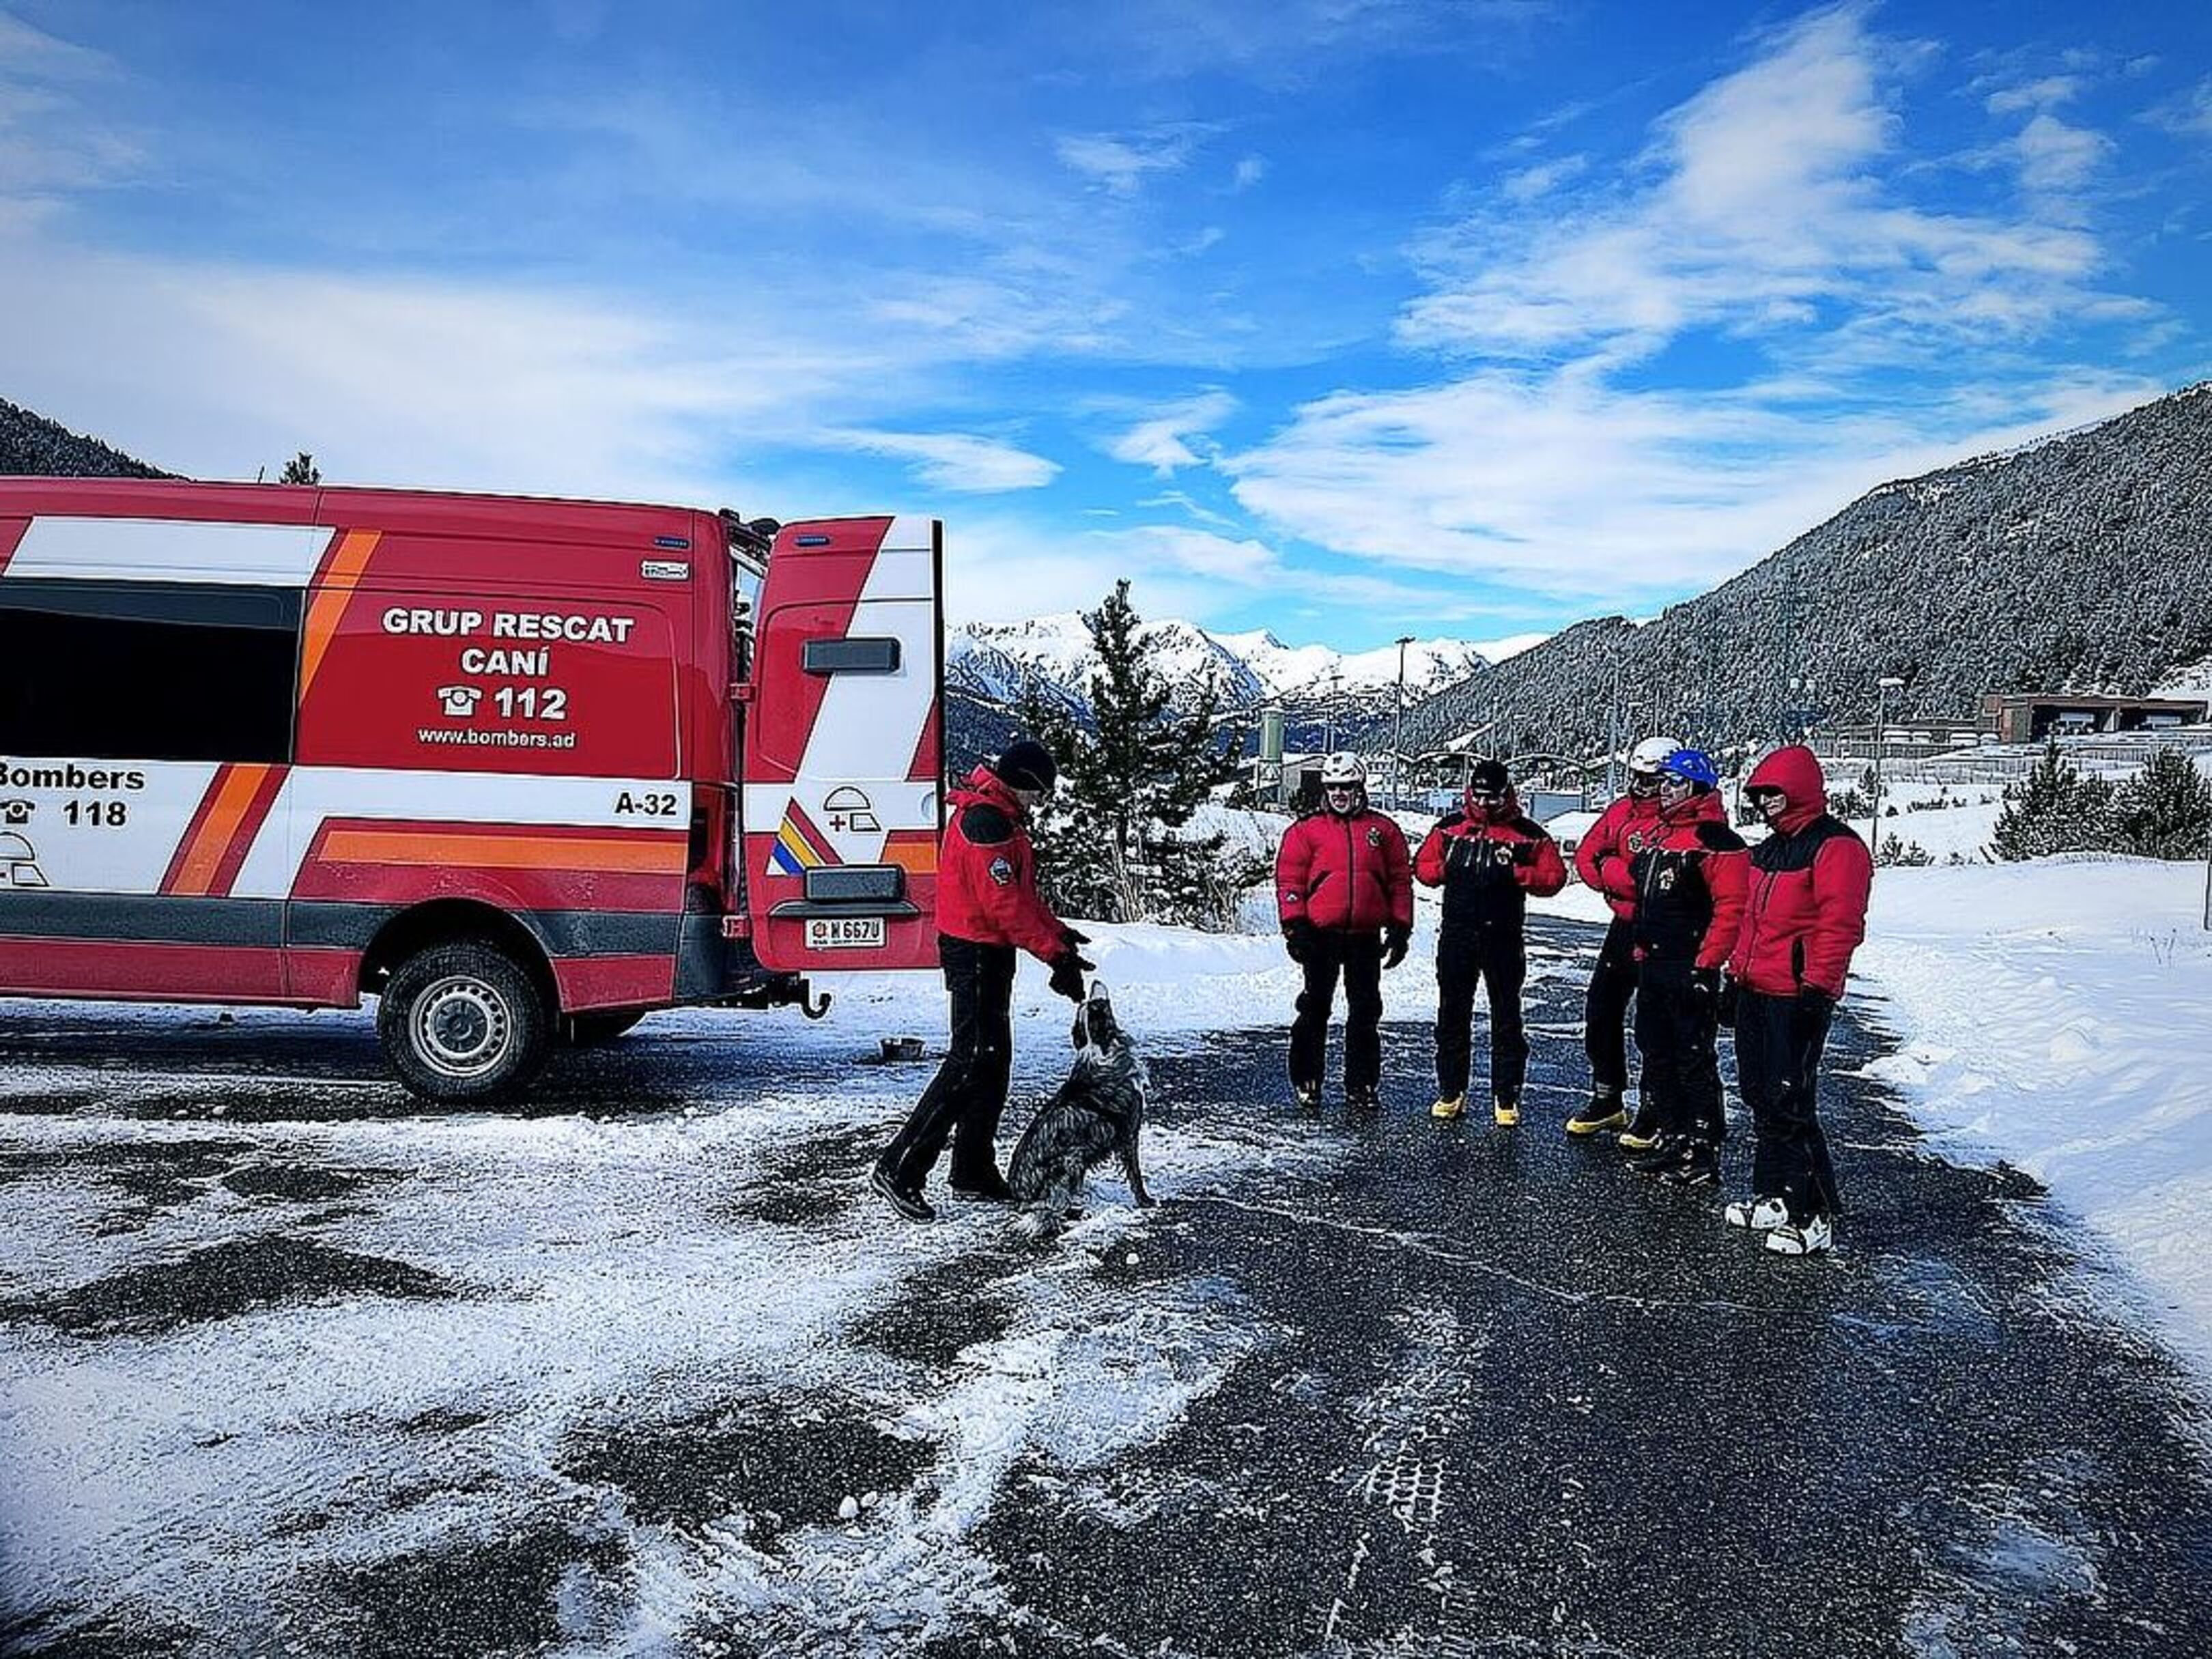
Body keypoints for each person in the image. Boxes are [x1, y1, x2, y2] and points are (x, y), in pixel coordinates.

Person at [873, 738, 1092, 1223]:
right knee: (970, 1061)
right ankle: (899, 1167)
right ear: (1025, 784)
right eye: (1041, 792)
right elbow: (1004, 906)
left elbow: (1020, 896)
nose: (1043, 801)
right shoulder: (985, 821)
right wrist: (1055, 957)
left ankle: (972, 1168)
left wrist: (1058, 934)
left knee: (992, 1064)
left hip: (987, 951)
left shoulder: (999, 815)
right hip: (973, 952)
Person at [1722, 743, 1873, 1257]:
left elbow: (1840, 925)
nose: (1766, 803)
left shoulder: (1837, 847)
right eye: (1760, 795)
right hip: (1754, 989)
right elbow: (1748, 920)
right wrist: (1732, 975)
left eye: (1774, 794)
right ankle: (1775, 1196)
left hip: (1796, 995)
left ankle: (1815, 1214)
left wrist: (1818, 990)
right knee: (1760, 1095)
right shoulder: (1766, 851)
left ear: (1798, 791)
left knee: (1791, 1101)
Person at [1414, 757, 1568, 1125]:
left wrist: (1519, 873)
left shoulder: (1528, 833)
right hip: (1457, 933)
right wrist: (1445, 868)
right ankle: (1452, 1090)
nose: (1485, 805)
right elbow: (1422, 868)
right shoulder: (1450, 829)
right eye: (1479, 797)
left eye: (1493, 799)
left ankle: (1506, 1096)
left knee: (1507, 1017)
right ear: (1470, 794)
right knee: (1452, 1013)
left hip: (1503, 935)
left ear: (1507, 795)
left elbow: (1554, 877)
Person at [1619, 748, 1747, 1187]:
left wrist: (1707, 964)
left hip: (1690, 965)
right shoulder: (1659, 835)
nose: (1665, 790)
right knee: (1655, 1051)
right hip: (1654, 961)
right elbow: (1647, 900)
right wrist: (1639, 946)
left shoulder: (1717, 841)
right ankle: (1672, 1134)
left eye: (1674, 782)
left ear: (1695, 786)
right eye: (1664, 782)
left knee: (1694, 1058)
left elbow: (1732, 909)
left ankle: (1703, 1146)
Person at [1275, 752, 1413, 1111]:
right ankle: (1307, 1078)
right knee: (1315, 1007)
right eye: (1333, 787)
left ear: (1359, 788)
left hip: (1365, 935)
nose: (1339, 794)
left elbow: (1399, 880)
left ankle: (1362, 1083)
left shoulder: (1383, 830)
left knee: (1365, 1011)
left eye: (1346, 787)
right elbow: (1289, 880)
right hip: (1320, 934)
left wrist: (1400, 927)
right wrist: (1294, 925)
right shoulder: (1305, 830)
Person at [1567, 734, 1680, 1142]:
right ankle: (1608, 1096)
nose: (1640, 787)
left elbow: (1665, 886)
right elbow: (1586, 856)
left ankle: (1654, 1108)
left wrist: (1618, 873)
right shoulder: (1620, 812)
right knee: (1600, 1009)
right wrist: (1618, 882)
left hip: (1666, 932)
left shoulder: (1681, 818)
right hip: (1625, 925)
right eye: (1636, 777)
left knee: (1655, 1024)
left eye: (1650, 780)